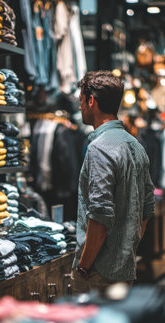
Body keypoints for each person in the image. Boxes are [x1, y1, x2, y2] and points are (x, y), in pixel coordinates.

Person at [71, 70, 155, 294]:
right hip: (123, 269)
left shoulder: (99, 149)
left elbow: (100, 215)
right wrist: (126, 249)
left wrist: (83, 267)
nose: (80, 107)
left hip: (97, 273)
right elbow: (146, 209)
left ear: (91, 101)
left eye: (81, 101)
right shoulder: (135, 146)